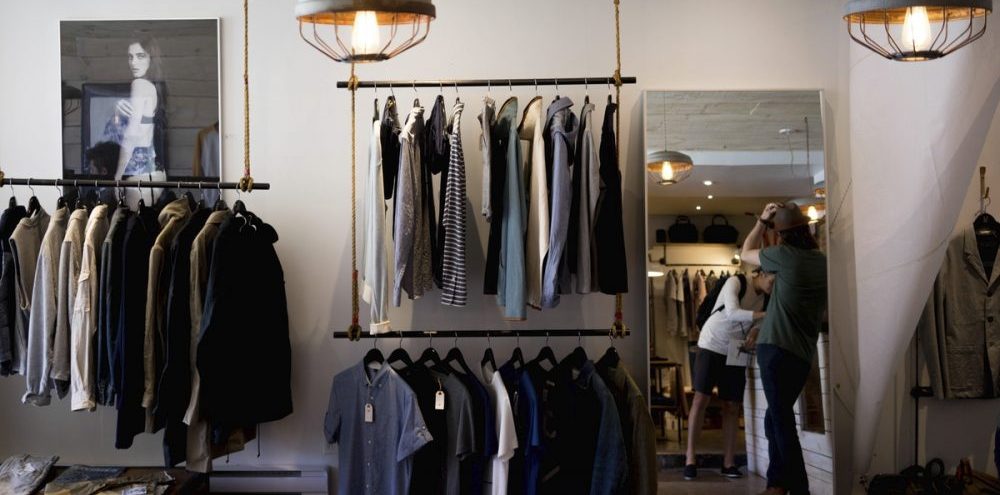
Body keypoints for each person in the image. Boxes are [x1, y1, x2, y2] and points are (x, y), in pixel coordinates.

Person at [740, 203, 827, 495]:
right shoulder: (823, 261)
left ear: (782, 236)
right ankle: (776, 484)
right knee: (775, 416)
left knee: (781, 420)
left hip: (775, 348)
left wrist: (762, 220)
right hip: (802, 354)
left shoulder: (783, 256)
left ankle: (799, 488)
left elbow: (745, 253)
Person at [684, 268, 774, 481]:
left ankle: (729, 462)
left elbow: (758, 324)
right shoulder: (736, 281)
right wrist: (763, 315)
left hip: (737, 347)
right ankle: (689, 458)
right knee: (700, 398)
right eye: (772, 277)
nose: (773, 283)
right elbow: (732, 312)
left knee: (732, 406)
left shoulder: (768, 298)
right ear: (760, 273)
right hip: (712, 342)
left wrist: (755, 330)